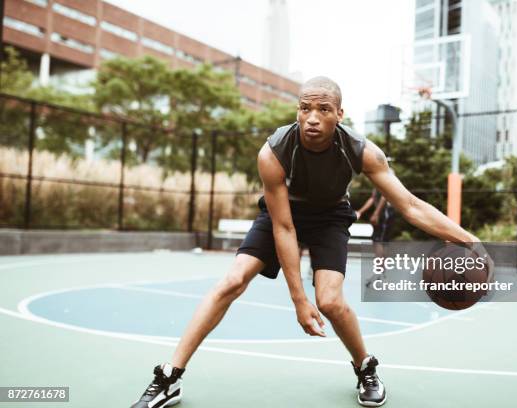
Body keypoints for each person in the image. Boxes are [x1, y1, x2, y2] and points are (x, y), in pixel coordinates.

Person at [130, 76, 484, 408]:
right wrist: (299, 300)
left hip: (330, 217)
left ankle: (365, 366)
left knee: (330, 302)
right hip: (282, 215)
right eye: (305, 109)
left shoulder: (361, 150)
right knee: (231, 281)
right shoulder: (274, 152)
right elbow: (284, 228)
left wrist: (471, 241)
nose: (312, 118)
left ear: (339, 115)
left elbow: (409, 205)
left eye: (323, 110)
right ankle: (170, 377)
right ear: (297, 110)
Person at [355, 180, 397, 287]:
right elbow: (373, 198)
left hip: (385, 213)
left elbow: (385, 196)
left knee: (379, 242)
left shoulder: (385, 174)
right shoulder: (375, 179)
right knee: (379, 241)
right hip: (384, 213)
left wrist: (376, 213)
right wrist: (360, 211)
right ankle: (380, 273)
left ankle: (381, 273)